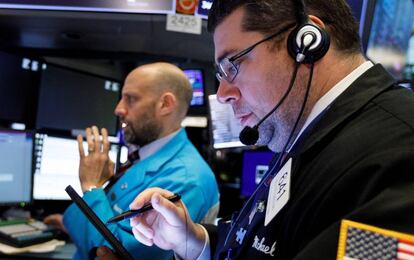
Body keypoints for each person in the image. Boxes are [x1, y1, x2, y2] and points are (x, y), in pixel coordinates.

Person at [98, 0, 414, 259]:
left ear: (307, 42)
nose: (222, 93)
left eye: (232, 65)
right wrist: (193, 240)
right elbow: (267, 242)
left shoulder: (400, 153)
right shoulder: (307, 134)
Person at [46, 62, 220, 260]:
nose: (118, 109)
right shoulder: (145, 156)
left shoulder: (187, 179)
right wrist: (68, 222)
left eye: (130, 99)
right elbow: (112, 221)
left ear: (165, 104)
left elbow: (121, 253)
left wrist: (91, 187)